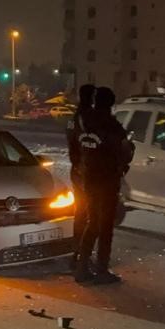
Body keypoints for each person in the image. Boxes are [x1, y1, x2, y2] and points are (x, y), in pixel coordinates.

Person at [74, 86, 129, 284]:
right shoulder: (111, 125)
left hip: (89, 179)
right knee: (105, 226)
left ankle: (82, 267)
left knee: (92, 223)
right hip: (106, 180)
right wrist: (122, 165)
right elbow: (123, 150)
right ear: (111, 103)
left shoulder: (85, 121)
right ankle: (101, 269)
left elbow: (78, 148)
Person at [67, 83, 97, 253]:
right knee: (91, 216)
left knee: (81, 214)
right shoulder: (89, 118)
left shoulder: (74, 118)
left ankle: (77, 254)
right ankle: (83, 257)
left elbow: (72, 144)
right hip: (88, 172)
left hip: (78, 170)